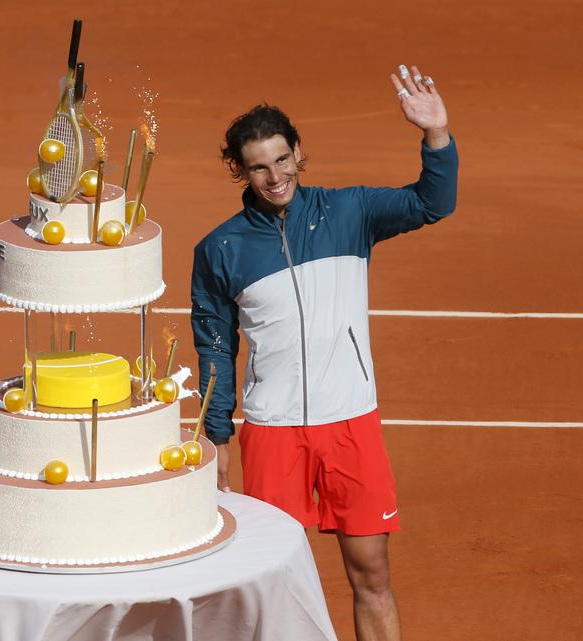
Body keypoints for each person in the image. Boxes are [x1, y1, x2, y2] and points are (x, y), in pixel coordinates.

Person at [190, 64, 457, 641]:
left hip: (350, 423)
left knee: (372, 575)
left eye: (282, 160)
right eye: (258, 166)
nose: (274, 176)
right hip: (273, 430)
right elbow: (214, 344)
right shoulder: (220, 248)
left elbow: (432, 203)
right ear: (239, 169)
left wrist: (436, 136)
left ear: (298, 154)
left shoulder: (350, 211)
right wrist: (217, 437)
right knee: (266, 586)